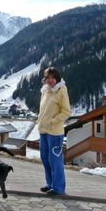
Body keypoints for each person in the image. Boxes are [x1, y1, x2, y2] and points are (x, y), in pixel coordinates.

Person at [37, 67, 71, 195]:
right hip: (43, 131)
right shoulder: (45, 91)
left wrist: (53, 120)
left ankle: (58, 188)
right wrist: (40, 122)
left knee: (55, 161)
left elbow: (66, 112)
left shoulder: (61, 91)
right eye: (48, 78)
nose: (50, 80)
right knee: (45, 158)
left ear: (57, 79)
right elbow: (42, 110)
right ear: (45, 80)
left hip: (55, 133)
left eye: (53, 78)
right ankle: (50, 184)